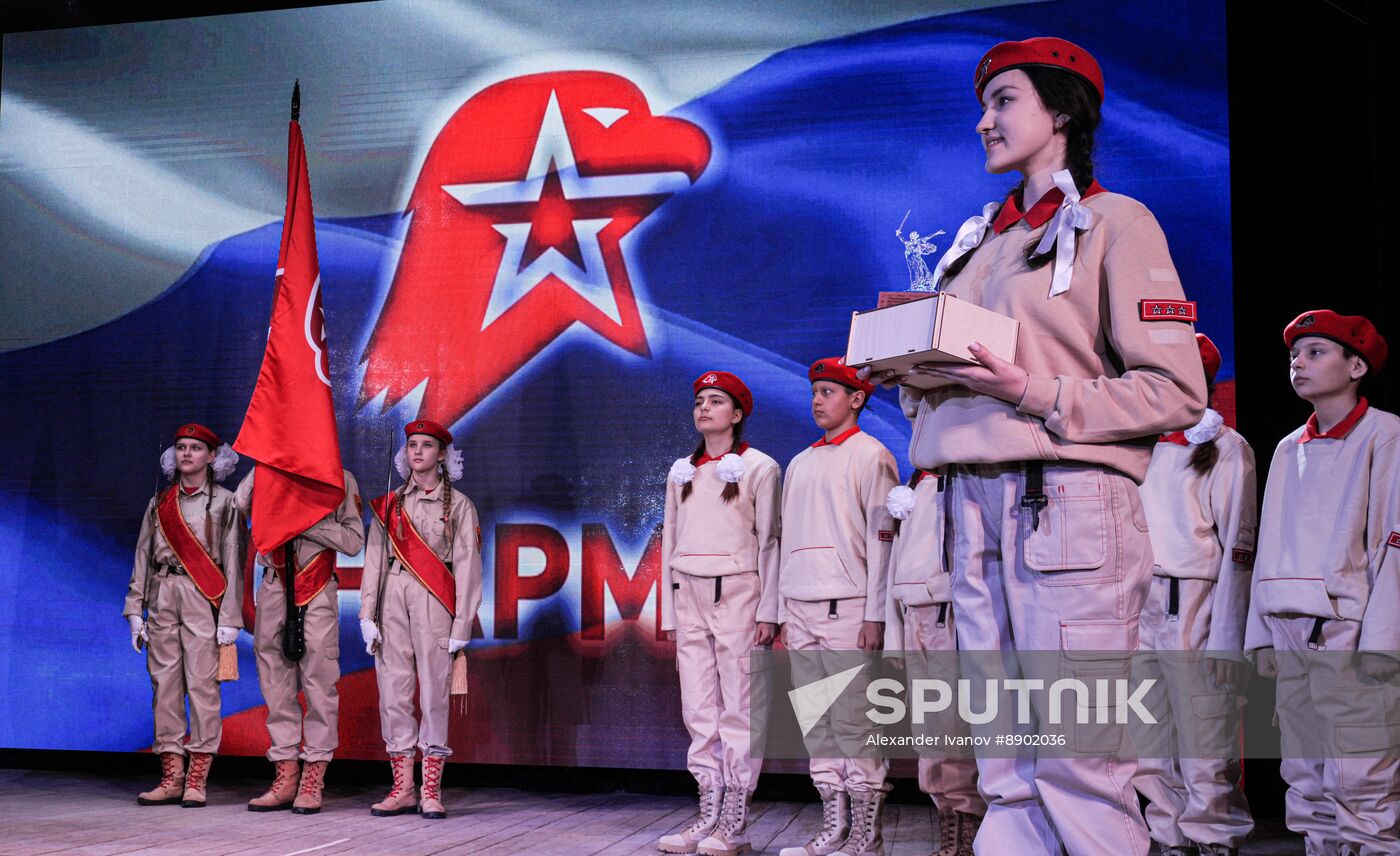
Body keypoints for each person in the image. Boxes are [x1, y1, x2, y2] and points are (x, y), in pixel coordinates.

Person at [874, 37, 1207, 855]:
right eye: (983, 105)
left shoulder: (1117, 223)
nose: (984, 122)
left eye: (1003, 101)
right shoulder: (979, 241)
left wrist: (1031, 389)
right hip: (969, 508)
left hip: (1067, 503)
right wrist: (911, 374)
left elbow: (1175, 391)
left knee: (1078, 764)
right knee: (1006, 773)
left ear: (1061, 111)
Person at [1244, 310, 1398, 856]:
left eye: (1316, 352)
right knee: (1305, 775)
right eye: (1294, 355)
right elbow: (1269, 543)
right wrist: (1258, 633)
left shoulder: (1386, 434)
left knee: (1359, 772)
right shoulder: (1289, 447)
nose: (1299, 363)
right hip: (1287, 622)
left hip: (1346, 629)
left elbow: (1391, 541)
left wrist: (1383, 638)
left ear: (1356, 365)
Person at [1133, 333, 1255, 856]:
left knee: (1203, 730)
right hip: (1138, 598)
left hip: (1195, 598)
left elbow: (1239, 547)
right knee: (1147, 737)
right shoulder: (1137, 444)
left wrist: (1228, 635)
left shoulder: (1225, 447)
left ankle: (1213, 838)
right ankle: (1169, 836)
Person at [777, 357, 899, 856]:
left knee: (853, 719)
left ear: (857, 399)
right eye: (815, 392)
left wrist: (876, 614)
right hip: (800, 604)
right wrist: (783, 608)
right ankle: (833, 826)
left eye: (829, 391)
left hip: (846, 605)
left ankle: (866, 835)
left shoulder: (872, 456)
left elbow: (883, 540)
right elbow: (785, 542)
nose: (817, 400)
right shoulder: (800, 462)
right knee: (816, 719)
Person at [656, 371, 781, 856]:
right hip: (689, 593)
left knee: (741, 708)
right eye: (699, 401)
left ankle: (735, 820)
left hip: (739, 593)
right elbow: (669, 541)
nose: (704, 408)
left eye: (716, 401)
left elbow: (769, 541)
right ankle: (707, 813)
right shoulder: (680, 471)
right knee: (698, 708)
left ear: (737, 413)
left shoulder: (760, 467)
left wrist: (769, 608)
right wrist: (669, 613)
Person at [360, 419, 483, 820]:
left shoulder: (460, 505)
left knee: (433, 693)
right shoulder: (390, 503)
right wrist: (367, 613)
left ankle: (431, 789)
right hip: (391, 596)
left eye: (427, 445)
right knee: (394, 692)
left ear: (442, 454)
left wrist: (462, 624)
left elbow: (467, 567)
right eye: (412, 444)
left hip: (434, 600)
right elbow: (375, 561)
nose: (417, 452)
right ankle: (402, 788)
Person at [123, 423, 244, 808]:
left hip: (202, 598)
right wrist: (134, 609)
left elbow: (234, 563)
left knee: (204, 690)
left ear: (213, 456)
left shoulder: (226, 503)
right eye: (180, 447)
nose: (186, 454)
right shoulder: (159, 503)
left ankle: (197, 778)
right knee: (164, 688)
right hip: (161, 596)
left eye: (195, 448)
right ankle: (171, 776)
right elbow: (142, 555)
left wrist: (229, 619)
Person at [234, 466, 364, 814]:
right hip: (274, 584)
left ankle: (313, 777)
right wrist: (264, 462)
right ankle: (286, 773)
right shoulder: (269, 472)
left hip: (318, 588)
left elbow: (353, 541)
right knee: (276, 685)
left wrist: (306, 522)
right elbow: (240, 503)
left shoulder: (339, 477)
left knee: (319, 684)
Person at [882, 469, 986, 856]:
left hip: (949, 613)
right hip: (914, 614)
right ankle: (948, 823)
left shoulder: (965, 476)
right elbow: (895, 568)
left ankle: (966, 829)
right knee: (927, 732)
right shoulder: (916, 485)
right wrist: (894, 637)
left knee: (953, 729)